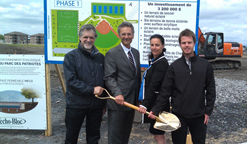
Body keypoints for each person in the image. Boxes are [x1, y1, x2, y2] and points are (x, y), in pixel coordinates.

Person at [148, 29, 216, 144]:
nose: (187, 45)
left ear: (194, 43)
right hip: (178, 116)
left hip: (199, 116)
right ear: (180, 45)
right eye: (184, 43)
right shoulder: (174, 67)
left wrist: (208, 111)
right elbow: (165, 91)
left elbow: (211, 90)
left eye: (189, 42)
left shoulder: (205, 65)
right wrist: (155, 109)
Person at [63, 24, 106, 144]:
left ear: (95, 38)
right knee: (71, 138)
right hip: (76, 105)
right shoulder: (71, 57)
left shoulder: (100, 58)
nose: (88, 40)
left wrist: (103, 103)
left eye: (91, 37)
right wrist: (92, 90)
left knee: (93, 138)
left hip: (95, 106)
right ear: (80, 37)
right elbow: (71, 81)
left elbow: (104, 81)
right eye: (86, 37)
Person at [104, 21, 141, 144]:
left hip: (131, 102)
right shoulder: (112, 53)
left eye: (129, 34)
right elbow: (109, 77)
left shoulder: (135, 53)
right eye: (123, 34)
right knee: (115, 137)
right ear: (119, 35)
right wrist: (117, 93)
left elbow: (136, 77)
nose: (126, 36)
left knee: (125, 135)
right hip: (118, 102)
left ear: (133, 35)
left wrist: (139, 97)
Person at [137, 34, 169, 144]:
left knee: (158, 133)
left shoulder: (162, 63)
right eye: (152, 45)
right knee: (157, 132)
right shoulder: (155, 61)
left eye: (157, 45)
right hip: (153, 103)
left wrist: (144, 104)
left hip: (157, 104)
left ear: (163, 46)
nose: (154, 47)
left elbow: (153, 85)